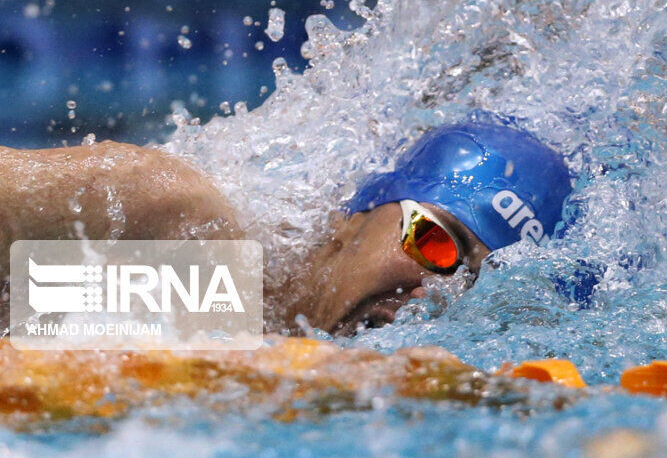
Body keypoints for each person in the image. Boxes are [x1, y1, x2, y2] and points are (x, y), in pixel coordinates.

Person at [0, 121, 574, 334]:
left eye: (481, 284)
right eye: (436, 242)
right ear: (348, 221)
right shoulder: (177, 226)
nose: (440, 293)